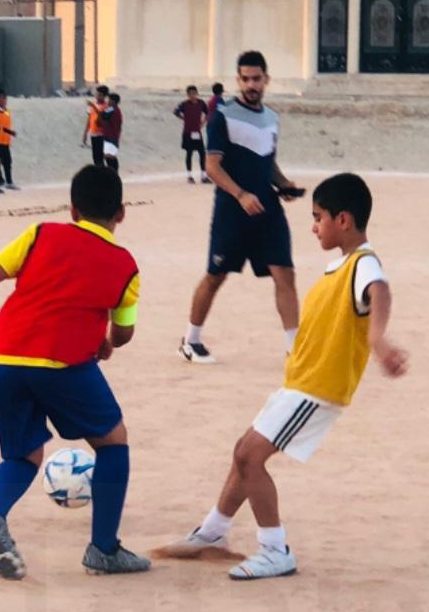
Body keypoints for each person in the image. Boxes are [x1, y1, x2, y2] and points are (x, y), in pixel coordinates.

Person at [162, 173, 408, 578]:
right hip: (299, 382)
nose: (314, 227)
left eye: (318, 218)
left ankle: (275, 550)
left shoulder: (364, 264)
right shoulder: (342, 265)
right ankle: (212, 532)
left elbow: (378, 291)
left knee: (251, 458)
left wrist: (378, 338)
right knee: (243, 451)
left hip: (317, 389)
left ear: (343, 220)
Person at [0, 165, 150, 579]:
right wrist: (108, 338)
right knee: (113, 442)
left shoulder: (41, 234)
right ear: (121, 213)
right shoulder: (125, 266)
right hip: (61, 362)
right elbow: (124, 332)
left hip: (2, 357)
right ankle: (104, 549)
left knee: (22, 454)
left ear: (72, 210)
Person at [179, 50, 303, 364]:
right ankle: (190, 341)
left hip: (268, 211)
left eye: (256, 79)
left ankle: (295, 349)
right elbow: (212, 167)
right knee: (215, 276)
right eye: (245, 79)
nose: (251, 85)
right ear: (238, 80)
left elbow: (268, 162)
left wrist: (284, 184)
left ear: (266, 80)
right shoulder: (223, 117)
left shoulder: (272, 118)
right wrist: (241, 195)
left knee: (285, 274)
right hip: (232, 212)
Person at [175, 85, 210, 184]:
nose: (192, 95)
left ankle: (204, 176)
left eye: (194, 93)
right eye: (190, 94)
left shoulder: (201, 103)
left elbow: (208, 113)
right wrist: (184, 118)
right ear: (187, 95)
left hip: (197, 132)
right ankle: (189, 176)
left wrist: (203, 123)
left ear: (197, 93)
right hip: (187, 132)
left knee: (202, 153)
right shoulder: (184, 104)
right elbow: (176, 112)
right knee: (189, 153)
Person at [81, 85, 109, 167]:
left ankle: (103, 173)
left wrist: (93, 106)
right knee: (95, 157)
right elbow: (89, 119)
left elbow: (102, 118)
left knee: (100, 157)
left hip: (102, 134)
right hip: (93, 133)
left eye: (99, 95)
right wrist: (85, 132)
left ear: (104, 96)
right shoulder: (92, 105)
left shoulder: (107, 106)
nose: (97, 96)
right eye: (97, 94)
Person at [99, 92, 122, 172]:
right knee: (110, 158)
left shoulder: (112, 109)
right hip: (112, 136)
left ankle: (114, 174)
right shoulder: (116, 109)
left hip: (110, 137)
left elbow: (102, 114)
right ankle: (114, 174)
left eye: (109, 100)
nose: (108, 101)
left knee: (110, 158)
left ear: (113, 101)